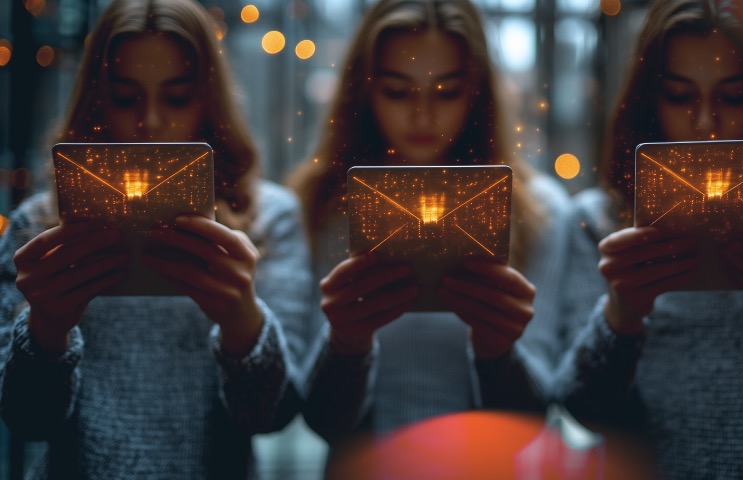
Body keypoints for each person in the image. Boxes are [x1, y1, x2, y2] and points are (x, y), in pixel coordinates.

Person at [0, 0, 312, 477]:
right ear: (97, 100)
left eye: (177, 97)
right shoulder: (38, 228)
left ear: (209, 100)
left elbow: (271, 416)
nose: (150, 122)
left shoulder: (269, 219)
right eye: (126, 98)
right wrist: (46, 331)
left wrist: (242, 321)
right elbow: (25, 419)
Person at [551, 0, 743, 478]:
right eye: (678, 95)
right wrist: (620, 318)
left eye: (733, 97)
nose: (706, 125)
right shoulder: (595, 223)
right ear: (650, 101)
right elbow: (584, 410)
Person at [284, 0, 572, 453]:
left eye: (446, 91)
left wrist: (497, 352)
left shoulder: (541, 212)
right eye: (399, 92)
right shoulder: (316, 207)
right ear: (365, 91)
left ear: (477, 93)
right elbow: (319, 418)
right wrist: (345, 342)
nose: (422, 115)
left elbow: (533, 418)